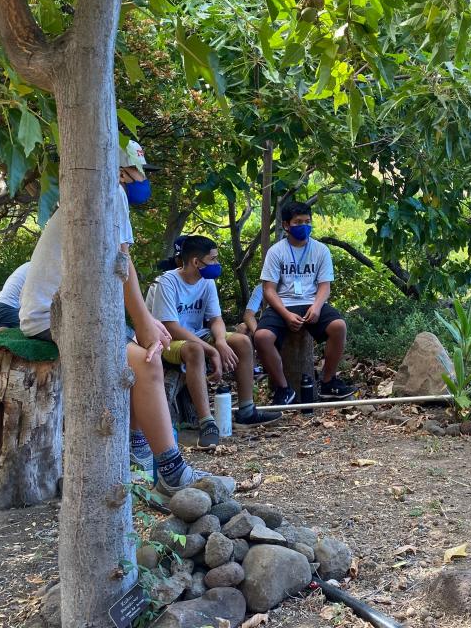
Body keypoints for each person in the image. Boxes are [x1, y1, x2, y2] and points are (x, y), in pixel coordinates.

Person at [18, 139, 226, 498]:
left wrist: (145, 322)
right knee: (147, 363)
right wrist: (144, 326)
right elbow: (121, 263)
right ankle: (171, 470)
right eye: (134, 173)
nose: (139, 180)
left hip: (74, 310)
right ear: (119, 171)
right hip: (53, 318)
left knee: (143, 349)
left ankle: (137, 445)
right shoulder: (108, 191)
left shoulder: (96, 193)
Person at [147, 235, 279, 449]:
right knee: (195, 350)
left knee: (242, 342)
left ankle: (246, 410)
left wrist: (221, 342)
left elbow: (216, 319)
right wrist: (212, 350)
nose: (217, 265)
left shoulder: (206, 282)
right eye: (213, 260)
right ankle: (207, 422)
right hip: (167, 340)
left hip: (198, 334)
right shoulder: (167, 282)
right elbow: (171, 326)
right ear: (196, 262)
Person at [253, 202, 355, 404]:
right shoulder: (276, 252)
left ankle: (328, 382)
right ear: (286, 225)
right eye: (298, 222)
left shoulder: (320, 250)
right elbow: (269, 290)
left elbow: (325, 286)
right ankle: (283, 390)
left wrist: (316, 307)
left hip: (311, 302)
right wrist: (286, 314)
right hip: (283, 305)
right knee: (262, 337)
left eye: (308, 222)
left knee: (339, 326)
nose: (304, 226)